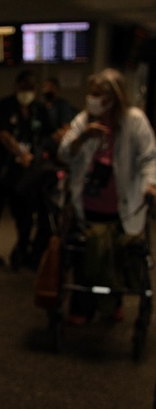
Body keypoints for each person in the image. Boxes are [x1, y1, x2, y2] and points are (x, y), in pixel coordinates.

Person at [59, 68, 156, 323]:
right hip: (87, 203)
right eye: (91, 93)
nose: (93, 98)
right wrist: (83, 137)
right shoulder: (85, 120)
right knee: (86, 254)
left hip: (124, 204)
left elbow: (149, 158)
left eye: (98, 94)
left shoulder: (134, 120)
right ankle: (82, 307)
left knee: (116, 254)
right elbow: (64, 153)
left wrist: (151, 185)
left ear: (114, 96)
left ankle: (113, 304)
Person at [0, 69, 53, 269]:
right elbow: (2, 133)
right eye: (24, 88)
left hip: (24, 174)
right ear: (16, 87)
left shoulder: (39, 109)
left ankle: (22, 250)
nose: (27, 92)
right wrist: (19, 152)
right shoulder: (5, 106)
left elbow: (49, 133)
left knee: (25, 214)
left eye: (31, 88)